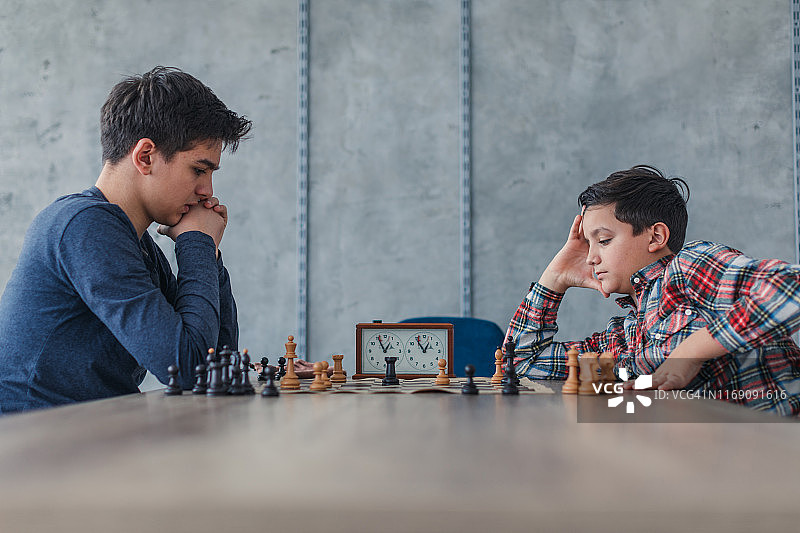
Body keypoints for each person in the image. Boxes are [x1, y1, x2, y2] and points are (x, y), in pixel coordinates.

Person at [0, 66, 252, 413]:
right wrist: (196, 242)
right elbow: (191, 367)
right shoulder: (85, 226)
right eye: (198, 169)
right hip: (38, 449)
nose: (207, 191)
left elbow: (214, 366)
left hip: (88, 439)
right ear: (145, 156)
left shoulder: (135, 243)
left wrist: (207, 251)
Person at [505, 165, 800, 415]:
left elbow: (791, 286)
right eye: (587, 244)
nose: (591, 258)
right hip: (719, 459)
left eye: (604, 240)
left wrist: (691, 352)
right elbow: (522, 362)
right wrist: (554, 279)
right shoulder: (624, 335)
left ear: (656, 236)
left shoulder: (687, 269)